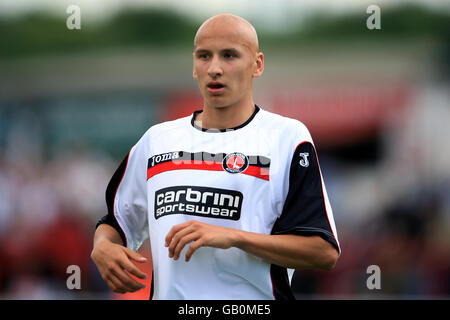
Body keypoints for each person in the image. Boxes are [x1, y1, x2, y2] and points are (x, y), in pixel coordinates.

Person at [91, 13, 341, 300]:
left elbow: (323, 252)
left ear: (257, 64)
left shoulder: (287, 138)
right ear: (194, 66)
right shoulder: (157, 141)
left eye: (229, 56)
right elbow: (117, 222)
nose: (215, 68)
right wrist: (103, 245)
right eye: (204, 56)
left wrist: (232, 237)